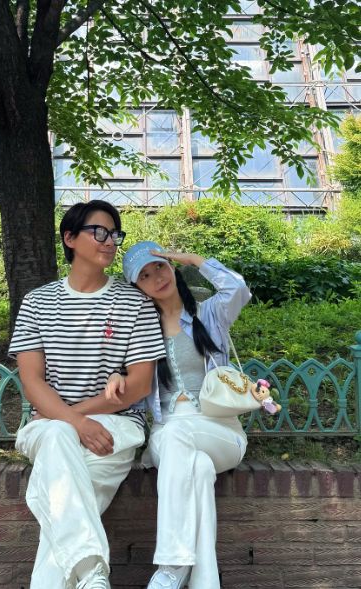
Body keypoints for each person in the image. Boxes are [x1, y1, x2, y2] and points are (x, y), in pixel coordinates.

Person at [9, 203, 166, 589]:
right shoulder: (37, 302)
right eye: (99, 232)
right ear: (69, 238)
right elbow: (32, 382)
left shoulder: (135, 302)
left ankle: (91, 576)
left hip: (114, 427)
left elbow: (139, 386)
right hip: (50, 425)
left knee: (59, 494)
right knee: (61, 446)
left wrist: (70, 417)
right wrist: (75, 422)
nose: (110, 241)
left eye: (114, 234)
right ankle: (92, 573)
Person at [121, 241, 252, 589]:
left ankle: (171, 567)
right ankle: (202, 582)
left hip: (220, 431)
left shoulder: (209, 315)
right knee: (198, 468)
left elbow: (237, 288)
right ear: (138, 288)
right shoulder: (141, 333)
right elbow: (130, 387)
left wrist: (194, 260)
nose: (157, 277)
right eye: (144, 276)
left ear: (172, 266)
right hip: (167, 433)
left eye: (160, 266)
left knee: (179, 437)